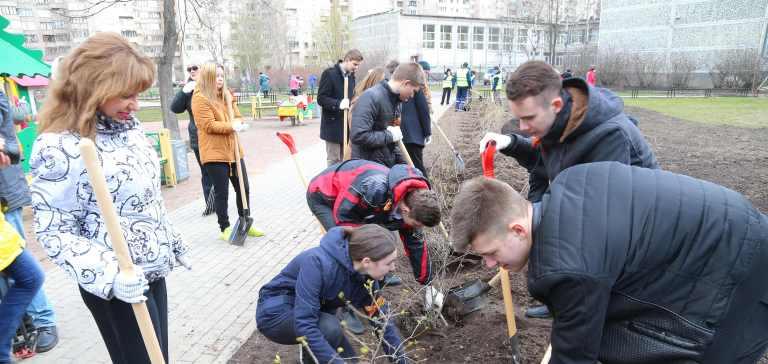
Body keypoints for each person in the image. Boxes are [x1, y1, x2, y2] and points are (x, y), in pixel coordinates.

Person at [450, 161, 768, 364]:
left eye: (490, 253)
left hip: (742, 276)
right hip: (738, 231)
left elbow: (575, 356)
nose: (490, 264)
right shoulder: (570, 183)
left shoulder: (565, 267)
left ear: (518, 229)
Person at [30, 33, 190, 364]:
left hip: (150, 272)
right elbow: (54, 230)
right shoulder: (59, 147)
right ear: (94, 88)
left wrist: (169, 241)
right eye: (126, 95)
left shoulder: (129, 129)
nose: (135, 104)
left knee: (160, 358)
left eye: (138, 95)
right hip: (115, 285)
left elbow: (146, 200)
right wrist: (110, 275)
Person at [479, 60, 658, 318]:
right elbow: (543, 161)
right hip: (593, 208)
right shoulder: (559, 122)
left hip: (636, 234)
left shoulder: (609, 137)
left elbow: (606, 221)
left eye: (528, 118)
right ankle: (561, 304)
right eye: (518, 119)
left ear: (556, 105)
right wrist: (510, 142)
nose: (523, 127)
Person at [256, 225, 411, 364]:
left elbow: (382, 321)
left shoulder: (366, 279)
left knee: (350, 359)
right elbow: (305, 322)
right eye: (389, 263)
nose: (393, 268)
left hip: (312, 311)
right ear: (366, 261)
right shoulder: (318, 263)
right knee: (329, 328)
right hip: (275, 313)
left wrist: (401, 361)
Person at [191, 63, 265, 241]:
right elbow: (207, 125)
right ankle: (224, 227)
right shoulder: (200, 98)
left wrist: (239, 123)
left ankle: (245, 221)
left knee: (243, 188)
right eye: (216, 76)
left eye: (222, 76)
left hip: (233, 150)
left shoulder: (227, 95)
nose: (220, 79)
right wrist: (231, 126)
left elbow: (237, 116)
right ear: (208, 77)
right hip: (214, 153)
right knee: (222, 192)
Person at [350, 62, 424, 167]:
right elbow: (358, 135)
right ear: (406, 83)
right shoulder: (371, 97)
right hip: (367, 171)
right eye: (413, 91)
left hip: (384, 168)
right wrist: (390, 135)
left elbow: (393, 144)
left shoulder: (397, 102)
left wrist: (407, 167)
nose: (412, 96)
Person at [171, 64, 215, 216]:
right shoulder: (189, 90)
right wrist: (184, 92)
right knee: (207, 172)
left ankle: (224, 199)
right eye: (189, 69)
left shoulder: (211, 85)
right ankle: (211, 205)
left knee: (222, 170)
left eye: (195, 68)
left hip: (216, 134)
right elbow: (175, 108)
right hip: (198, 137)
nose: (192, 71)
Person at [318, 49, 363, 166]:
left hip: (346, 126)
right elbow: (321, 98)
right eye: (355, 64)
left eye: (358, 65)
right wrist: (338, 104)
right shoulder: (329, 74)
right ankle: (330, 184)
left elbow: (351, 96)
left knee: (345, 161)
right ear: (347, 60)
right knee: (334, 161)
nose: (356, 68)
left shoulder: (352, 76)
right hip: (332, 127)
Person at [400, 71, 432, 177]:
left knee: (406, 167)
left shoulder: (399, 87)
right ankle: (427, 190)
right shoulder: (416, 89)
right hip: (413, 136)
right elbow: (423, 111)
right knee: (418, 167)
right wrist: (427, 132)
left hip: (402, 135)